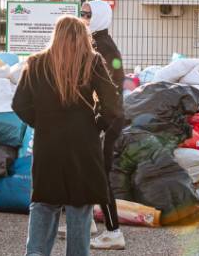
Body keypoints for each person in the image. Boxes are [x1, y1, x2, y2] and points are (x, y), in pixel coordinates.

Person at [12, 16, 121, 256]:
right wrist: (97, 125)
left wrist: (41, 123)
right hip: (83, 147)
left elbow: (19, 104)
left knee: (43, 205)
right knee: (80, 209)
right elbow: (112, 107)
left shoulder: (36, 63)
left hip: (47, 146)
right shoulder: (92, 62)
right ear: (84, 37)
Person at [80, 0, 125, 250]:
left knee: (102, 175)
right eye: (82, 13)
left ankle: (114, 231)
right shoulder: (96, 42)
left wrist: (100, 118)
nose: (83, 17)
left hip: (109, 119)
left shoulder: (102, 46)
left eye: (88, 14)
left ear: (99, 17)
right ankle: (87, 222)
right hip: (106, 116)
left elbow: (112, 87)